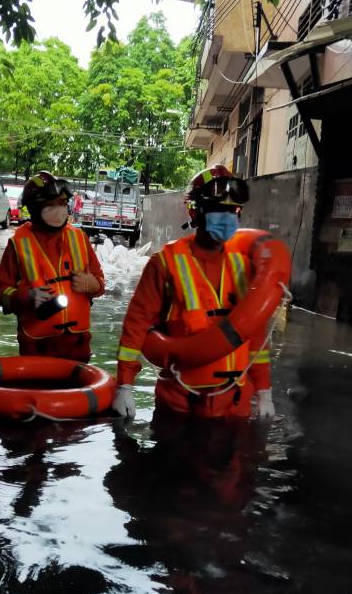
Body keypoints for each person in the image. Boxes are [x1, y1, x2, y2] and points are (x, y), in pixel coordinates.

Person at [112, 165, 287, 420]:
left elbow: (255, 337)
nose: (227, 218)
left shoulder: (244, 267)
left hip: (235, 403)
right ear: (197, 211)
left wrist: (263, 391)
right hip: (181, 402)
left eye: (232, 210)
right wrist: (124, 384)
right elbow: (136, 325)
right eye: (218, 210)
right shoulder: (165, 263)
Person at [0, 171, 105, 361]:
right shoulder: (19, 243)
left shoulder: (79, 239)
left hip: (78, 347)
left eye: (61, 203)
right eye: (51, 205)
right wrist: (26, 297)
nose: (59, 210)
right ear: (35, 208)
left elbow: (100, 283)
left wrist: (92, 285)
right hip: (37, 348)